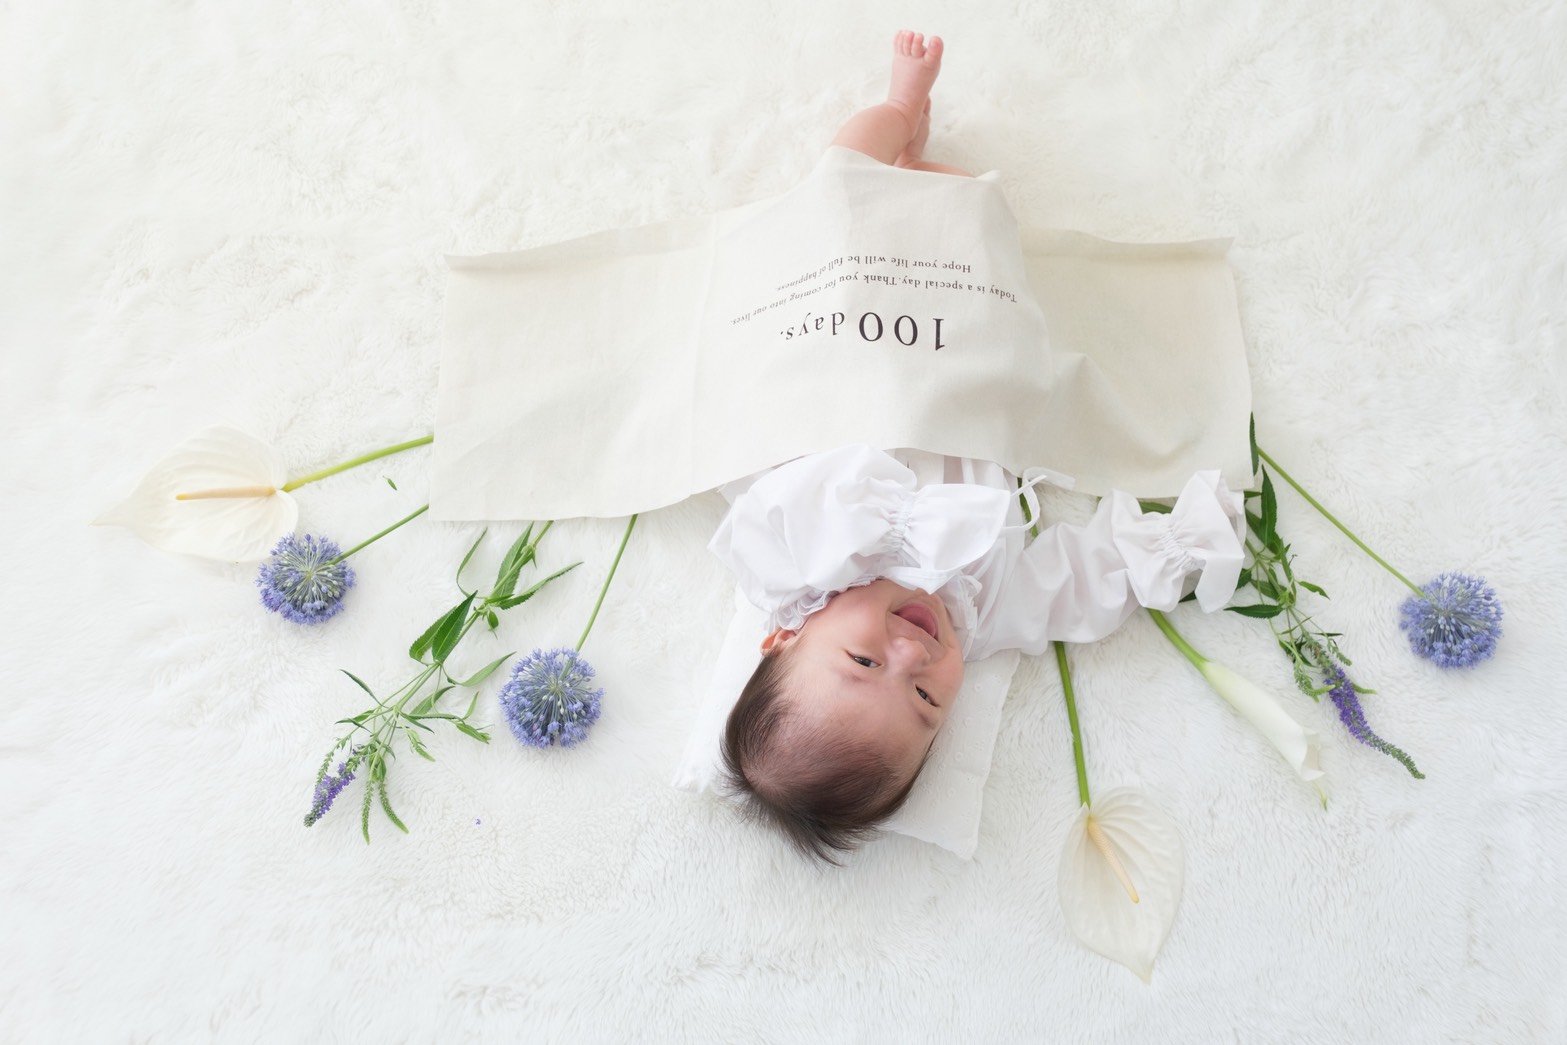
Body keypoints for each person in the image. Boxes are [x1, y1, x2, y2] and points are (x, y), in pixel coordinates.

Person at [706, 32, 1248, 863]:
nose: (912, 652)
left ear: (784, 636)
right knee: (975, 213)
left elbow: (760, 451)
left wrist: (859, 528)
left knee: (842, 180)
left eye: (863, 660)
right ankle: (920, 174)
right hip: (963, 341)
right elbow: (1077, 585)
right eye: (925, 698)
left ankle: (895, 109)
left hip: (845, 325)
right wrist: (1175, 544)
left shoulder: (792, 560)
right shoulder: (986, 611)